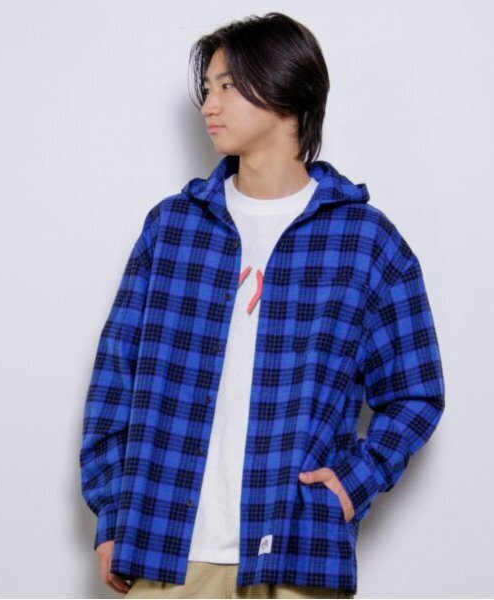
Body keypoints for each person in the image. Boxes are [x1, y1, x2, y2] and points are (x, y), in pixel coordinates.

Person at [79, 12, 445, 599]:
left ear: (284, 88)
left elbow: (415, 392)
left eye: (227, 85)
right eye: (207, 88)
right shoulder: (173, 229)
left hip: (297, 550)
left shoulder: (364, 242)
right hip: (165, 547)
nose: (209, 105)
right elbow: (114, 380)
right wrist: (112, 512)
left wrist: (353, 482)